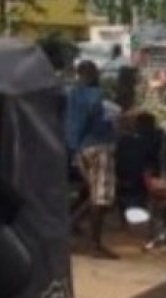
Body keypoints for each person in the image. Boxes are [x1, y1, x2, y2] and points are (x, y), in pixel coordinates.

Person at [66, 60, 119, 259]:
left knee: (95, 195)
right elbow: (96, 120)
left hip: (82, 148)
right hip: (99, 146)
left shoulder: (73, 94)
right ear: (91, 74)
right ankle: (94, 244)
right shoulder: (93, 95)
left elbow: (72, 125)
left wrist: (73, 149)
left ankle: (72, 226)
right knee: (101, 198)